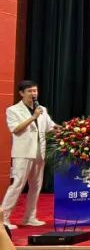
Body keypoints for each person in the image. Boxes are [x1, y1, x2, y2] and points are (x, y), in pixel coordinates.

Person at [3, 80, 55, 229]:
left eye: (35, 91)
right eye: (30, 91)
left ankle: (29, 217)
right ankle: (3, 218)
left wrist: (70, 130)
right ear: (21, 93)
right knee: (18, 184)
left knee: (36, 186)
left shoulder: (41, 109)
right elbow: (15, 129)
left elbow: (51, 127)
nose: (33, 94)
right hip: (23, 153)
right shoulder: (13, 110)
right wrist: (33, 117)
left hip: (39, 152)